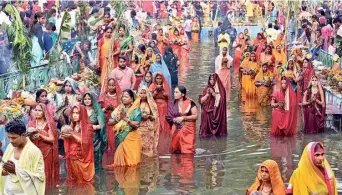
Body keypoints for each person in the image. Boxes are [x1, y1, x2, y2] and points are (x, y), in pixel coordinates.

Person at [0, 120, 45, 194]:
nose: (11, 140)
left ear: (23, 135)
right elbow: (3, 167)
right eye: (9, 137)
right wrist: (4, 170)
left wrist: (15, 170)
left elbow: (40, 178)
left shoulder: (34, 151)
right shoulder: (10, 147)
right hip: (7, 191)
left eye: (14, 138)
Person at [107, 89, 142, 167]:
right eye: (123, 96)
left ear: (132, 99)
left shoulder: (136, 110)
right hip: (120, 137)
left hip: (132, 138)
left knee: (132, 165)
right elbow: (109, 122)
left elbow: (137, 125)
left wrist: (125, 119)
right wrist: (118, 119)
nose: (124, 98)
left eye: (126, 97)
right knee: (120, 166)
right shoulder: (119, 109)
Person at [28, 103, 59, 188]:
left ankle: (46, 190)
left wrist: (40, 136)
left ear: (44, 112)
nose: (37, 112)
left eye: (40, 110)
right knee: (34, 171)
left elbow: (52, 139)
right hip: (34, 151)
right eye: (36, 110)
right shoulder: (31, 123)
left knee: (45, 171)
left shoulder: (48, 124)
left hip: (46, 152)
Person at [62, 105, 95, 184]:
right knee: (75, 183)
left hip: (83, 158)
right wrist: (64, 135)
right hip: (72, 157)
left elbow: (86, 142)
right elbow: (65, 138)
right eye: (73, 113)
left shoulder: (88, 126)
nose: (75, 115)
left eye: (77, 113)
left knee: (85, 184)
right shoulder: (71, 125)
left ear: (82, 113)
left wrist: (72, 135)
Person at [167, 86, 198, 154]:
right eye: (174, 92)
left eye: (177, 92)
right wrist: (175, 120)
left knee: (188, 151)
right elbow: (169, 117)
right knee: (175, 150)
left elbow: (195, 116)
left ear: (183, 94)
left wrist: (183, 118)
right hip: (176, 128)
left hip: (188, 129)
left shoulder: (190, 103)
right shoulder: (172, 104)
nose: (174, 94)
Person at [81, 92, 107, 171]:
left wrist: (93, 127)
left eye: (89, 99)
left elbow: (102, 125)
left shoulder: (97, 111)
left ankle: (98, 178)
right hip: (83, 138)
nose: (87, 101)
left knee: (96, 159)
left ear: (92, 100)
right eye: (85, 99)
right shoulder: (80, 110)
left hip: (95, 139)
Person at [99, 78, 122, 153]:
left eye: (113, 85)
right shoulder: (103, 97)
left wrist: (114, 109)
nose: (111, 87)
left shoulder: (119, 97)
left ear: (116, 86)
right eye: (109, 85)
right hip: (105, 122)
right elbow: (99, 110)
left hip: (116, 123)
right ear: (107, 86)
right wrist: (106, 109)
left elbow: (122, 109)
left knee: (114, 141)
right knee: (106, 141)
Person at [138, 86, 159, 157]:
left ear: (148, 94)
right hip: (139, 128)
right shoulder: (136, 104)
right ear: (139, 94)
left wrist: (149, 116)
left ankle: (149, 166)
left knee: (149, 149)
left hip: (149, 129)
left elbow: (155, 118)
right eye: (141, 93)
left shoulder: (152, 105)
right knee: (139, 148)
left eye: (144, 93)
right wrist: (140, 116)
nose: (143, 95)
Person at [98, 27, 120, 91]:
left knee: (111, 75)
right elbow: (98, 51)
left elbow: (118, 51)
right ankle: (104, 91)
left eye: (110, 32)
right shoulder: (101, 40)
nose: (109, 33)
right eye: (108, 32)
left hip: (112, 61)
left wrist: (111, 55)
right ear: (105, 32)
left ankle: (112, 90)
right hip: (103, 61)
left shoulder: (114, 40)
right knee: (104, 76)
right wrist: (97, 62)